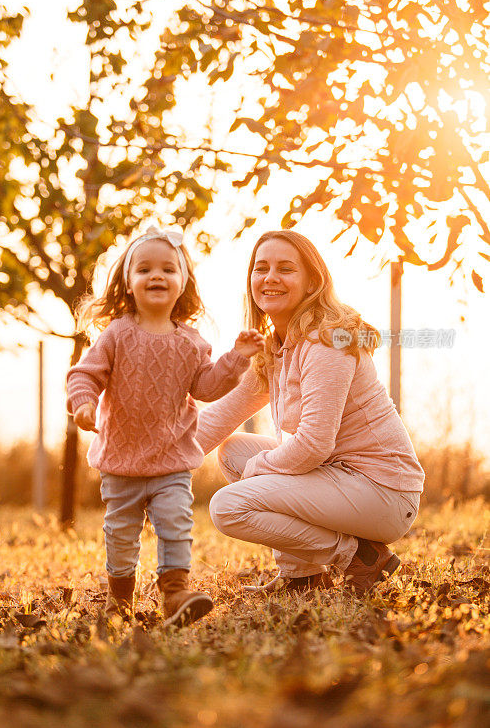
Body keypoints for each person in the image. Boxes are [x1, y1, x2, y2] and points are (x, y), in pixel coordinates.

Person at [196, 230, 425, 597]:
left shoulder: (326, 340)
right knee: (234, 449)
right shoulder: (277, 346)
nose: (270, 278)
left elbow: (313, 445)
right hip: (341, 478)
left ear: (311, 282)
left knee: (228, 506)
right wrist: (160, 463)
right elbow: (220, 416)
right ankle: (302, 577)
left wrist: (255, 472)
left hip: (383, 492)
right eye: (261, 268)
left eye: (285, 268)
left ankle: (359, 556)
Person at [66, 225, 264, 626]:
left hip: (171, 462)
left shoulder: (191, 342)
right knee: (121, 535)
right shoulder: (116, 334)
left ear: (182, 283)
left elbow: (208, 387)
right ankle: (119, 601)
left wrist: (237, 358)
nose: (156, 275)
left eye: (168, 269)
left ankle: (175, 594)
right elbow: (83, 375)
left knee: (175, 524)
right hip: (121, 462)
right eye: (144, 269)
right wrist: (84, 403)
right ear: (128, 281)